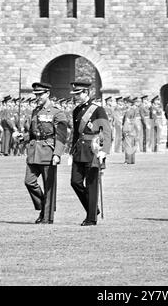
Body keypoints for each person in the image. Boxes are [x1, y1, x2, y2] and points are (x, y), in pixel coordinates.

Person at [13, 82, 68, 224]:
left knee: (49, 186)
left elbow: (61, 136)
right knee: (29, 182)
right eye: (36, 94)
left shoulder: (57, 112)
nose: (37, 97)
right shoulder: (35, 111)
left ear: (47, 94)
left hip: (48, 152)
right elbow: (33, 133)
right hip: (33, 151)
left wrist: (57, 154)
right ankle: (44, 206)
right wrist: (22, 137)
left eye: (40, 94)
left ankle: (47, 217)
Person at [69, 81, 111, 226]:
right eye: (75, 94)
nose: (76, 97)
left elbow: (106, 131)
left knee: (91, 185)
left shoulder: (98, 110)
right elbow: (76, 133)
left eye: (78, 94)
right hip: (79, 151)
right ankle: (93, 209)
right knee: (75, 182)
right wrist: (70, 152)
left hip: (93, 150)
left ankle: (91, 218)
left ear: (86, 93)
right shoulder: (76, 110)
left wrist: (104, 151)